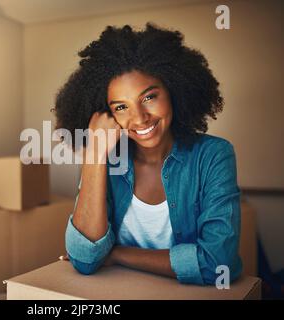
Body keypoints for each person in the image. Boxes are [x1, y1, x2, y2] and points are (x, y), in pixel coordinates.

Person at [54, 23, 242, 285]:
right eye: (121, 106)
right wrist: (94, 154)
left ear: (174, 91)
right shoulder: (106, 159)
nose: (139, 118)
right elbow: (85, 258)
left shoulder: (213, 155)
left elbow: (218, 264)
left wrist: (118, 254)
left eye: (149, 97)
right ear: (108, 115)